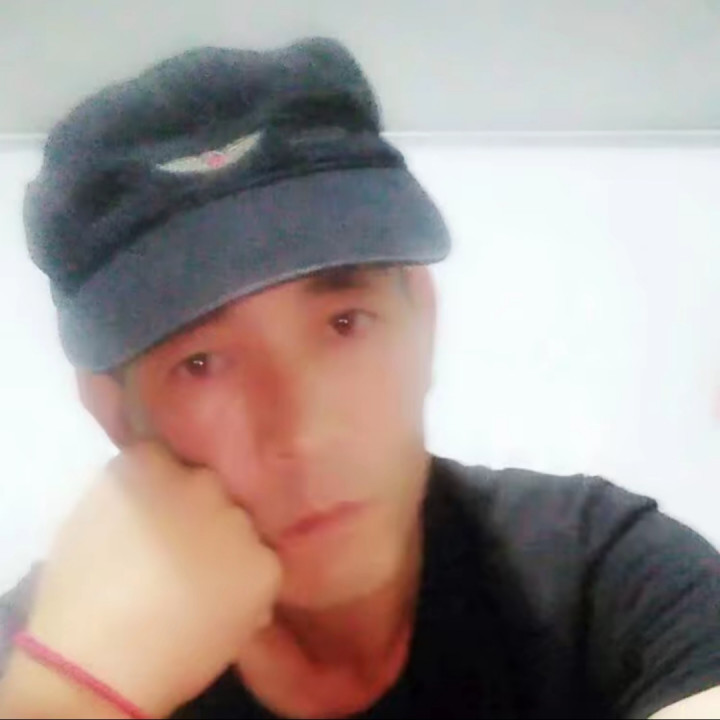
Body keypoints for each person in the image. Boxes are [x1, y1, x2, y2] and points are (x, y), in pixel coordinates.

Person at [0, 37, 718, 720]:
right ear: (116, 413)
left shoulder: (603, 576)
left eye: (345, 323)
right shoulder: (39, 655)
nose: (305, 433)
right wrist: (71, 698)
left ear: (421, 317)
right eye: (201, 364)